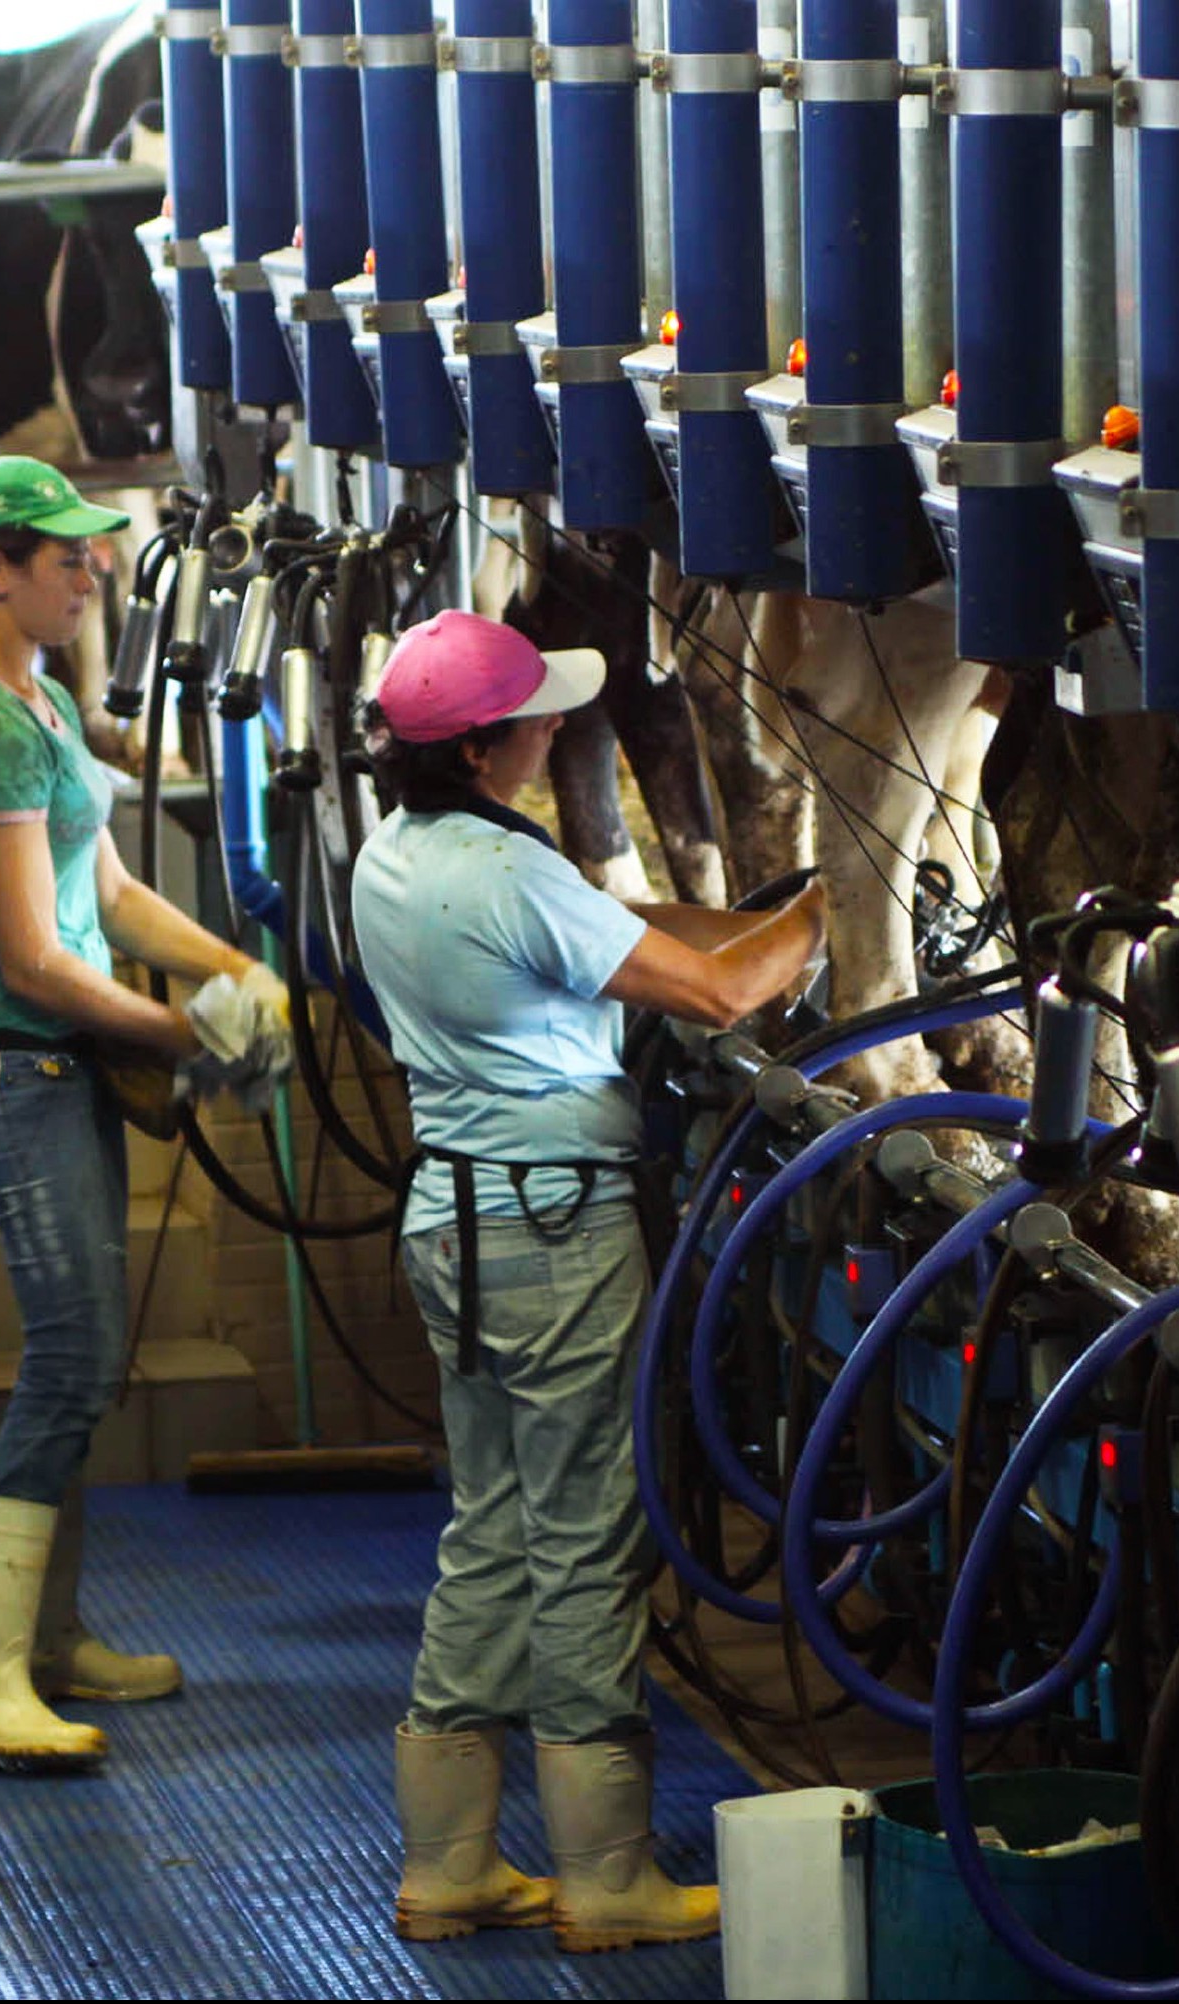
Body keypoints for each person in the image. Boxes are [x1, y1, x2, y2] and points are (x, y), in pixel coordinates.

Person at [348, 608, 827, 1953]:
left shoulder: (406, 851)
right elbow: (720, 1000)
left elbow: (608, 928)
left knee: (491, 1532)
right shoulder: (508, 874)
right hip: (554, 1232)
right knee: (584, 1540)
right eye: (542, 714)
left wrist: (747, 916)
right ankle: (605, 1876)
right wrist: (845, 896)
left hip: (455, 1222)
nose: (560, 725)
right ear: (495, 743)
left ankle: (446, 1866)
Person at [0, 455, 292, 1766]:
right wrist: (186, 1031)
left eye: (89, 551)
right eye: (65, 554)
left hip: (66, 1068)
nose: (93, 568)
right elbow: (32, 960)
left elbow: (109, 897)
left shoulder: (45, 704)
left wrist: (232, 967)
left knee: (85, 1350)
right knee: (70, 1354)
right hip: (22, 1067)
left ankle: (46, 1644)